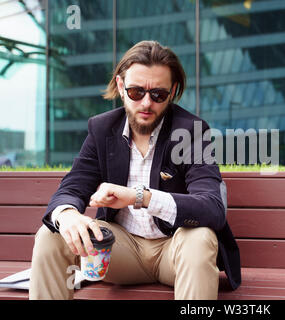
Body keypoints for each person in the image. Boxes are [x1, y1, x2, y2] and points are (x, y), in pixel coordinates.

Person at [29, 40, 241, 300]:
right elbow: (73, 186)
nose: (146, 103)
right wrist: (67, 214)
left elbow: (212, 208)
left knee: (199, 238)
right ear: (120, 86)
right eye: (136, 92)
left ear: (173, 91)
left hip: (175, 253)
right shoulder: (102, 129)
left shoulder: (192, 132)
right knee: (52, 234)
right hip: (118, 254)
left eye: (158, 95)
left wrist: (139, 197)